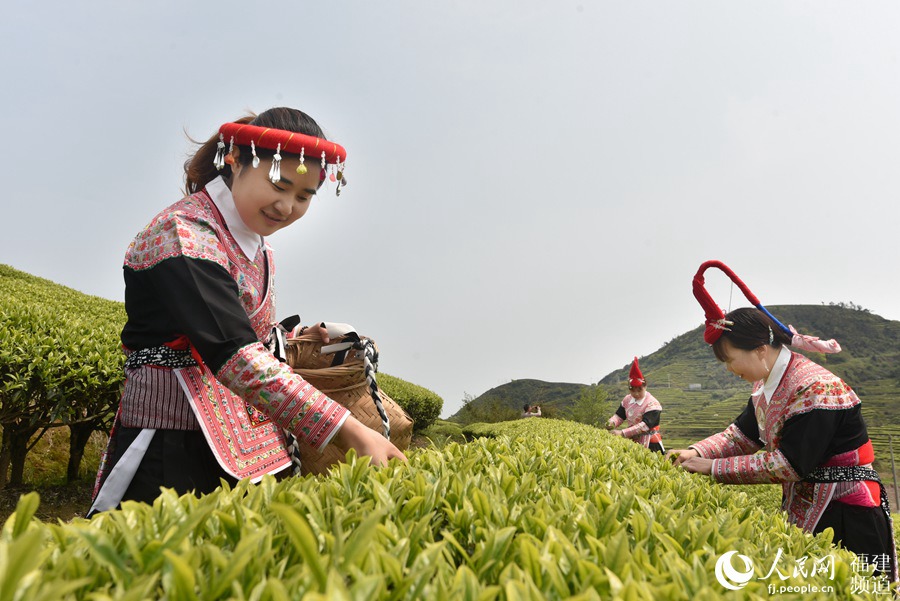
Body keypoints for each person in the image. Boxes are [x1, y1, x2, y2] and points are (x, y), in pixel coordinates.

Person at [89, 108, 406, 516]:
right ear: (235, 160)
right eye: (280, 184)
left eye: (304, 196)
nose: (287, 205)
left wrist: (296, 337)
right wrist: (347, 429)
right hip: (168, 439)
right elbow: (233, 352)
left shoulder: (258, 243)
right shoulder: (184, 232)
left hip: (242, 437)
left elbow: (243, 332)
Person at [668, 260, 897, 581]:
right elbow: (741, 435)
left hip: (848, 511)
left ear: (760, 349)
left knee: (856, 587)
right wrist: (698, 452)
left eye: (731, 360)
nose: (730, 369)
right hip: (807, 504)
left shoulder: (814, 387)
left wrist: (714, 468)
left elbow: (790, 464)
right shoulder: (766, 385)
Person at [606, 357, 664, 453]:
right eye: (632, 390)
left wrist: (623, 433)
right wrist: (611, 423)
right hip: (632, 440)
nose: (636, 393)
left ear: (645, 386)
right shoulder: (627, 400)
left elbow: (645, 426)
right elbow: (619, 416)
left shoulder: (652, 404)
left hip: (650, 443)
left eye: (639, 390)